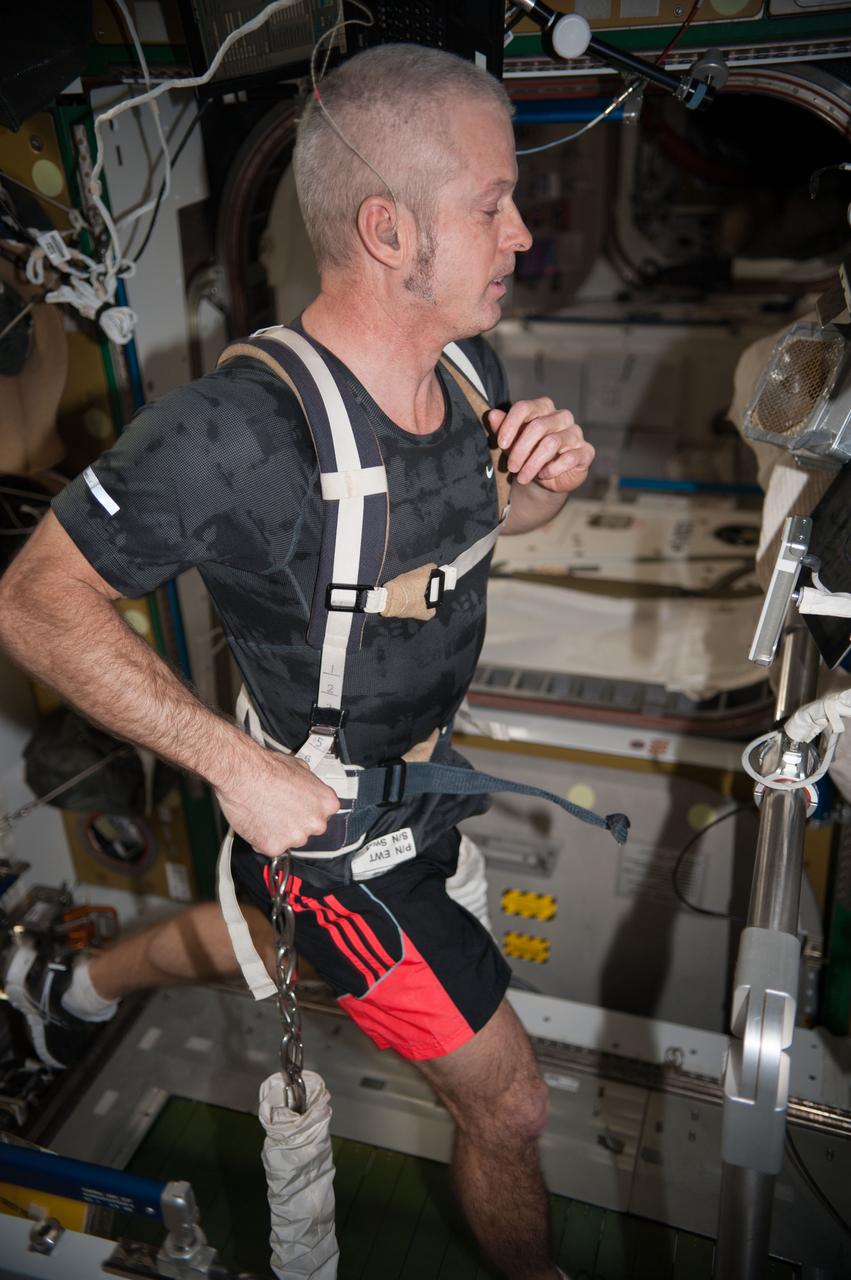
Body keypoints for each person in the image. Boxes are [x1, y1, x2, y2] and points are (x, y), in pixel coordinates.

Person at [0, 44, 593, 1280]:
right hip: (330, 840)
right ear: (388, 230)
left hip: (426, 793)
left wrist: (537, 484)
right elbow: (35, 599)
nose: (521, 234)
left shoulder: (467, 364)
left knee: (263, 946)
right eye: (491, 205)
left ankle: (66, 990)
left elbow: (486, 525)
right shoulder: (233, 431)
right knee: (510, 1106)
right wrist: (233, 765)